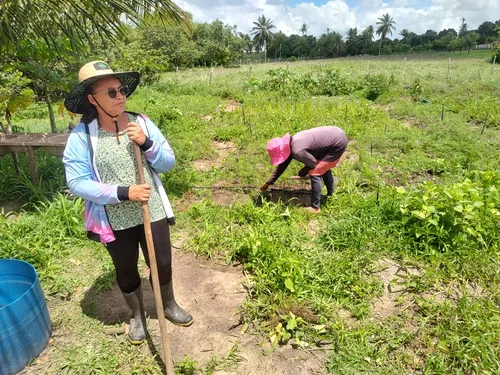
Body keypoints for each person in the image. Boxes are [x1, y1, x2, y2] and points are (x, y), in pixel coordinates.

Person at [63, 61, 192, 345]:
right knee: (125, 267)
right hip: (113, 215)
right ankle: (138, 316)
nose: (120, 96)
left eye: (121, 90)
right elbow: (77, 182)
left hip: (151, 206)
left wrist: (146, 143)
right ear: (92, 99)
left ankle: (168, 305)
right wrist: (123, 192)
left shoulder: (141, 122)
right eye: (110, 92)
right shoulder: (82, 136)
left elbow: (168, 161)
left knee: (162, 260)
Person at [260, 126, 348, 213]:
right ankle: (331, 195)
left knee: (315, 172)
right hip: (336, 134)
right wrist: (269, 182)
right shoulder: (293, 142)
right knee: (323, 166)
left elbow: (312, 163)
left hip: (337, 143)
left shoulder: (297, 150)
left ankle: (315, 208)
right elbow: (283, 165)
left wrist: (302, 173)